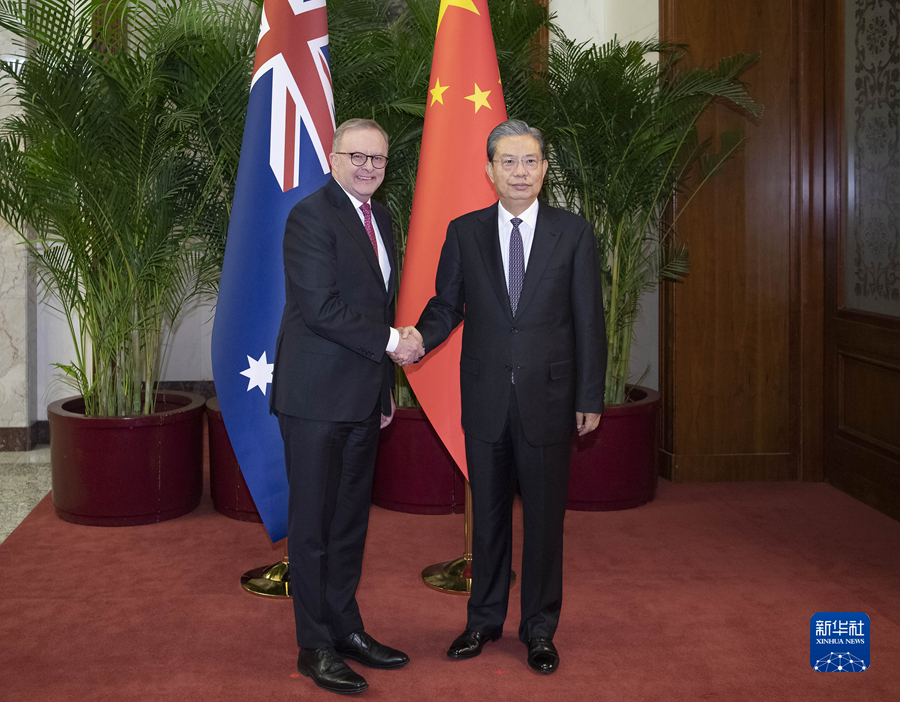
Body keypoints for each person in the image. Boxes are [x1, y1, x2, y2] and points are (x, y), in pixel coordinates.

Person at [395, 119, 606, 674]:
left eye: (530, 161)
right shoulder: (465, 232)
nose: (520, 172)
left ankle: (539, 629)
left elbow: (590, 320)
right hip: (486, 397)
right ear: (489, 171)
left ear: (544, 169)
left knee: (544, 522)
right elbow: (447, 305)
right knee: (487, 519)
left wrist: (589, 394)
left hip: (550, 399)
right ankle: (483, 622)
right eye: (508, 162)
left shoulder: (573, 233)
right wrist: (418, 339)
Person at [270, 118, 423, 695]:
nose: (367, 167)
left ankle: (345, 627)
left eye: (377, 159)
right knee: (312, 527)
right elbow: (321, 308)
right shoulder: (310, 216)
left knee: (350, 523)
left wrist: (383, 390)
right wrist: (393, 342)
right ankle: (314, 645)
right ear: (333, 159)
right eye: (356, 156)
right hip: (313, 398)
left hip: (361, 399)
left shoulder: (381, 217)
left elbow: (379, 301)